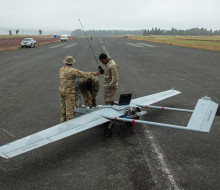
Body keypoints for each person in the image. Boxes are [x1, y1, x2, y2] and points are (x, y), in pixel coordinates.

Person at [59, 56, 98, 123]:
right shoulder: (72, 71)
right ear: (71, 63)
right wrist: (95, 73)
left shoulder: (61, 69)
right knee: (70, 111)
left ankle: (62, 123)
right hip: (69, 93)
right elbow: (84, 74)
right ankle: (69, 127)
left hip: (61, 91)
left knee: (63, 109)